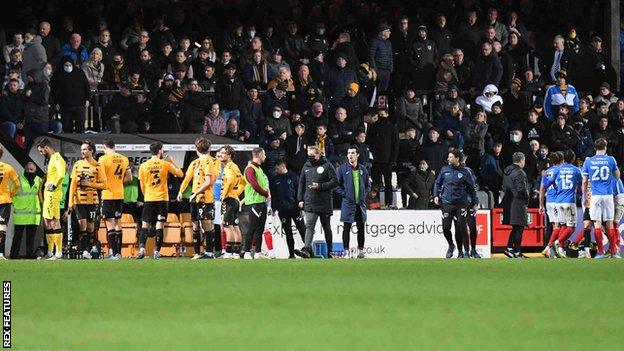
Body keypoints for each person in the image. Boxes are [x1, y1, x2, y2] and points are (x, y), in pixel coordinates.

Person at [137, 142, 184, 259]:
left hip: (149, 199)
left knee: (145, 225)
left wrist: (146, 195)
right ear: (160, 151)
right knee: (159, 225)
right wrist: (172, 161)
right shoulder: (165, 164)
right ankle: (156, 252)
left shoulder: (143, 166)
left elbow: (142, 184)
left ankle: (142, 248)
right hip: (162, 200)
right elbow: (180, 174)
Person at [177, 137, 220, 259]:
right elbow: (187, 179)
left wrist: (195, 193)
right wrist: (180, 191)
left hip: (205, 198)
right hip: (195, 199)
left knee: (207, 225)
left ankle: (209, 253)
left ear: (196, 148)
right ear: (209, 148)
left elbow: (209, 181)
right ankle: (197, 253)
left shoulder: (210, 161)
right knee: (195, 225)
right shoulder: (195, 163)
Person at [433, 149, 478, 258]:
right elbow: (437, 183)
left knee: (461, 227)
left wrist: (475, 202)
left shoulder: (465, 172)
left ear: (457, 158)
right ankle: (451, 245)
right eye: (448, 157)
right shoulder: (444, 170)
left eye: (451, 157)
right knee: (445, 228)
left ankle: (465, 252)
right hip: (447, 203)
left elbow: (472, 188)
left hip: (461, 204)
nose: (448, 159)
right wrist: (435, 195)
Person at [295, 146, 338, 258]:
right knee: (309, 226)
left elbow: (335, 181)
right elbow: (301, 183)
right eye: (309, 156)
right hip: (310, 202)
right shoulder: (306, 165)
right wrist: (300, 199)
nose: (310, 158)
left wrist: (320, 186)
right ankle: (307, 250)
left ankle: (330, 251)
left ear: (319, 155)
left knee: (326, 227)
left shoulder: (327, 165)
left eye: (312, 156)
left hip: (324, 202)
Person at [68, 140, 107, 259]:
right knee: (82, 225)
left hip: (92, 201)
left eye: (85, 149)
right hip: (79, 201)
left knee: (91, 227)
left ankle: (91, 247)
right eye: (81, 149)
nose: (82, 151)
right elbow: (73, 184)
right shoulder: (77, 164)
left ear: (92, 151)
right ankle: (85, 250)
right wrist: (70, 202)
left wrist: (89, 183)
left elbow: (104, 185)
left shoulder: (98, 166)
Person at [581, 138, 620, 259]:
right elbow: (617, 176)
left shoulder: (589, 161)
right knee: (609, 224)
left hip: (595, 196)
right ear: (606, 147)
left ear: (594, 148)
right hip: (608, 195)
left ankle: (600, 253)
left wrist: (584, 197)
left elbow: (584, 181)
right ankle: (613, 252)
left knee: (597, 224)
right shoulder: (611, 159)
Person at [542, 150, 582, 258]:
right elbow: (581, 185)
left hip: (558, 202)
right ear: (573, 158)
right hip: (569, 202)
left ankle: (560, 249)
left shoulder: (557, 170)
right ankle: (556, 243)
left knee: (563, 226)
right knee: (571, 227)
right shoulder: (576, 170)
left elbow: (546, 184)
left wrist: (544, 176)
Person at [99, 138, 132, 259]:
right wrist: (118, 182)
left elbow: (100, 177)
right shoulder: (124, 158)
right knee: (118, 222)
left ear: (104, 147)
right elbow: (129, 178)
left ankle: (113, 253)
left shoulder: (103, 159)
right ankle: (119, 253)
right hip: (119, 194)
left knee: (110, 224)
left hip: (108, 194)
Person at [336, 146, 370, 258]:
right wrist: (345, 193)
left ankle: (361, 251)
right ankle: (346, 251)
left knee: (361, 228)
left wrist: (363, 195)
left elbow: (367, 185)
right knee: (346, 228)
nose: (350, 155)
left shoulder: (363, 170)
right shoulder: (341, 169)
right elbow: (335, 185)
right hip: (348, 203)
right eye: (349, 153)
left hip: (360, 205)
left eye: (353, 153)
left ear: (357, 155)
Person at [270, 160, 306, 259]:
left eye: (277, 168)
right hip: (283, 211)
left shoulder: (294, 177)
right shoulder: (275, 180)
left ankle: (308, 251)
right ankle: (291, 254)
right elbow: (274, 196)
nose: (276, 170)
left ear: (282, 166)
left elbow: (300, 193)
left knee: (303, 230)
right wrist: (274, 208)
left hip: (295, 209)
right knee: (288, 232)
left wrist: (302, 208)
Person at [37, 138, 66, 259]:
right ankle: (50, 252)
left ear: (46, 148)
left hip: (53, 195)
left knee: (54, 222)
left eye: (41, 151)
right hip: (48, 195)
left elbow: (61, 174)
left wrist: (54, 185)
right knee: (47, 222)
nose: (41, 153)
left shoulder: (58, 158)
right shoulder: (51, 159)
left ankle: (58, 252)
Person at [242, 148, 272, 259]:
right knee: (252, 228)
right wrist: (265, 193)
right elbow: (254, 185)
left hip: (261, 202)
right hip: (254, 202)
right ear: (259, 155)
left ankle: (258, 253)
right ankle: (246, 252)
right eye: (264, 154)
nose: (265, 156)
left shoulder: (259, 169)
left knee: (260, 228)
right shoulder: (250, 169)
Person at [50, 57, 90, 133]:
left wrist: (87, 99)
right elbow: (53, 90)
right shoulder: (57, 74)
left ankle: (80, 140)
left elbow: (86, 87)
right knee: (67, 125)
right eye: (66, 65)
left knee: (80, 124)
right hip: (65, 105)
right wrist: (55, 102)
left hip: (79, 104)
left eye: (70, 65)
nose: (68, 66)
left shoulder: (79, 73)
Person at [218, 145, 245, 259]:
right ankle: (236, 252)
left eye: (224, 153)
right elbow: (243, 182)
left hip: (228, 200)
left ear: (229, 155)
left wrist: (223, 195)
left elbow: (229, 181)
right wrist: (236, 194)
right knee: (235, 226)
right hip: (234, 199)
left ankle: (228, 252)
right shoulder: (235, 166)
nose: (221, 155)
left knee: (227, 227)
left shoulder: (229, 167)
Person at [501, 152, 530, 258]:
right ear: (522, 160)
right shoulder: (519, 172)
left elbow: (504, 187)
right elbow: (521, 189)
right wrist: (527, 199)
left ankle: (509, 248)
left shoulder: (507, 171)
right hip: (518, 202)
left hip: (509, 202)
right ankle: (517, 251)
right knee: (519, 227)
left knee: (516, 227)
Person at [10, 162, 40, 259]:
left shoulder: (39, 180)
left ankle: (30, 255)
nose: (29, 171)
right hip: (20, 214)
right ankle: (14, 255)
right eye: (28, 169)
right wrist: (16, 205)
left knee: (31, 238)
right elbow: (12, 194)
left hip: (33, 214)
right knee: (17, 237)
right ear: (24, 169)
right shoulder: (18, 179)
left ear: (35, 170)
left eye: (32, 170)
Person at [538, 152, 563, 257]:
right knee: (559, 226)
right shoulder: (560, 171)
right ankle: (555, 249)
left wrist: (541, 204)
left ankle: (551, 249)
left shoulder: (547, 172)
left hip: (549, 202)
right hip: (558, 201)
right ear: (561, 160)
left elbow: (542, 189)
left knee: (553, 226)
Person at [0, 147, 19, 260]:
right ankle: (1, 254)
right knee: (2, 227)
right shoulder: (8, 168)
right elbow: (17, 184)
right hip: (5, 200)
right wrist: (11, 194)